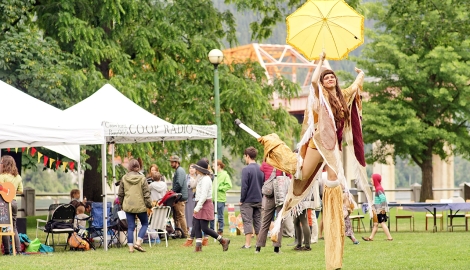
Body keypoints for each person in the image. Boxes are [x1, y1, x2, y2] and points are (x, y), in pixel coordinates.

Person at [192, 159, 230, 252]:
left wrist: (198, 207)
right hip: (199, 202)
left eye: (197, 169)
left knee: (205, 228)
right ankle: (198, 247)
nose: (195, 170)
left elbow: (204, 195)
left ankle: (223, 240)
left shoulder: (206, 179)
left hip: (204, 204)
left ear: (200, 170)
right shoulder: (200, 177)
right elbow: (193, 186)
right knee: (196, 225)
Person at [118, 158, 152, 253]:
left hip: (128, 205)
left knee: (130, 227)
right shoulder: (142, 178)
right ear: (139, 167)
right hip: (140, 205)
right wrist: (149, 205)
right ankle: (138, 242)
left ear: (129, 167)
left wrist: (121, 204)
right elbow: (146, 193)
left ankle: (130, 249)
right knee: (145, 224)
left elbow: (120, 193)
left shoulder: (124, 178)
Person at [255, 161, 287, 254]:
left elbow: (263, 174)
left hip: (269, 195)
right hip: (280, 195)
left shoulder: (265, 164)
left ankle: (258, 247)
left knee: (265, 221)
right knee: (279, 221)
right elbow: (288, 177)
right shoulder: (283, 163)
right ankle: (276, 248)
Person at [239, 147, 264, 249]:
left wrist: (242, 199)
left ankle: (247, 244)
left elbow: (244, 186)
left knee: (247, 221)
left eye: (245, 156)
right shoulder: (261, 169)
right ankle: (259, 243)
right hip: (259, 199)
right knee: (258, 221)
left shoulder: (246, 169)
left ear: (247, 156)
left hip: (248, 200)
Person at [0, 155, 23, 255]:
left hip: (3, 203)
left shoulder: (2, 176)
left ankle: (7, 251)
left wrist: (6, 192)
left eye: (1, 162)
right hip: (14, 203)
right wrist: (11, 192)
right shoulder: (18, 177)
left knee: (4, 226)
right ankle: (18, 250)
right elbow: (21, 191)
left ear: (4, 164)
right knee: (13, 227)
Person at [362, 173, 393, 242]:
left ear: (375, 180)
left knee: (382, 223)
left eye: (372, 180)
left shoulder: (378, 189)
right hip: (377, 210)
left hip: (380, 210)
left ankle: (390, 237)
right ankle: (371, 238)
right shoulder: (378, 188)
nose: (371, 182)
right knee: (375, 224)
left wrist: (382, 209)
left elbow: (383, 198)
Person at [210, 160, 233, 235]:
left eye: (214, 165)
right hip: (213, 198)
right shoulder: (214, 175)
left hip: (220, 198)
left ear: (219, 166)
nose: (213, 167)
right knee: (211, 215)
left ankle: (220, 230)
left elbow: (229, 185)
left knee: (220, 216)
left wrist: (220, 188)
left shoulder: (224, 175)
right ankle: (212, 230)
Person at [169, 155, 188, 238]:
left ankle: (186, 234)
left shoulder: (179, 171)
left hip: (180, 197)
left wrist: (172, 191)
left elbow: (179, 184)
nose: (171, 164)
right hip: (179, 196)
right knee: (177, 216)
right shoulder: (179, 170)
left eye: (172, 162)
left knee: (180, 216)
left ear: (176, 162)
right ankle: (179, 233)